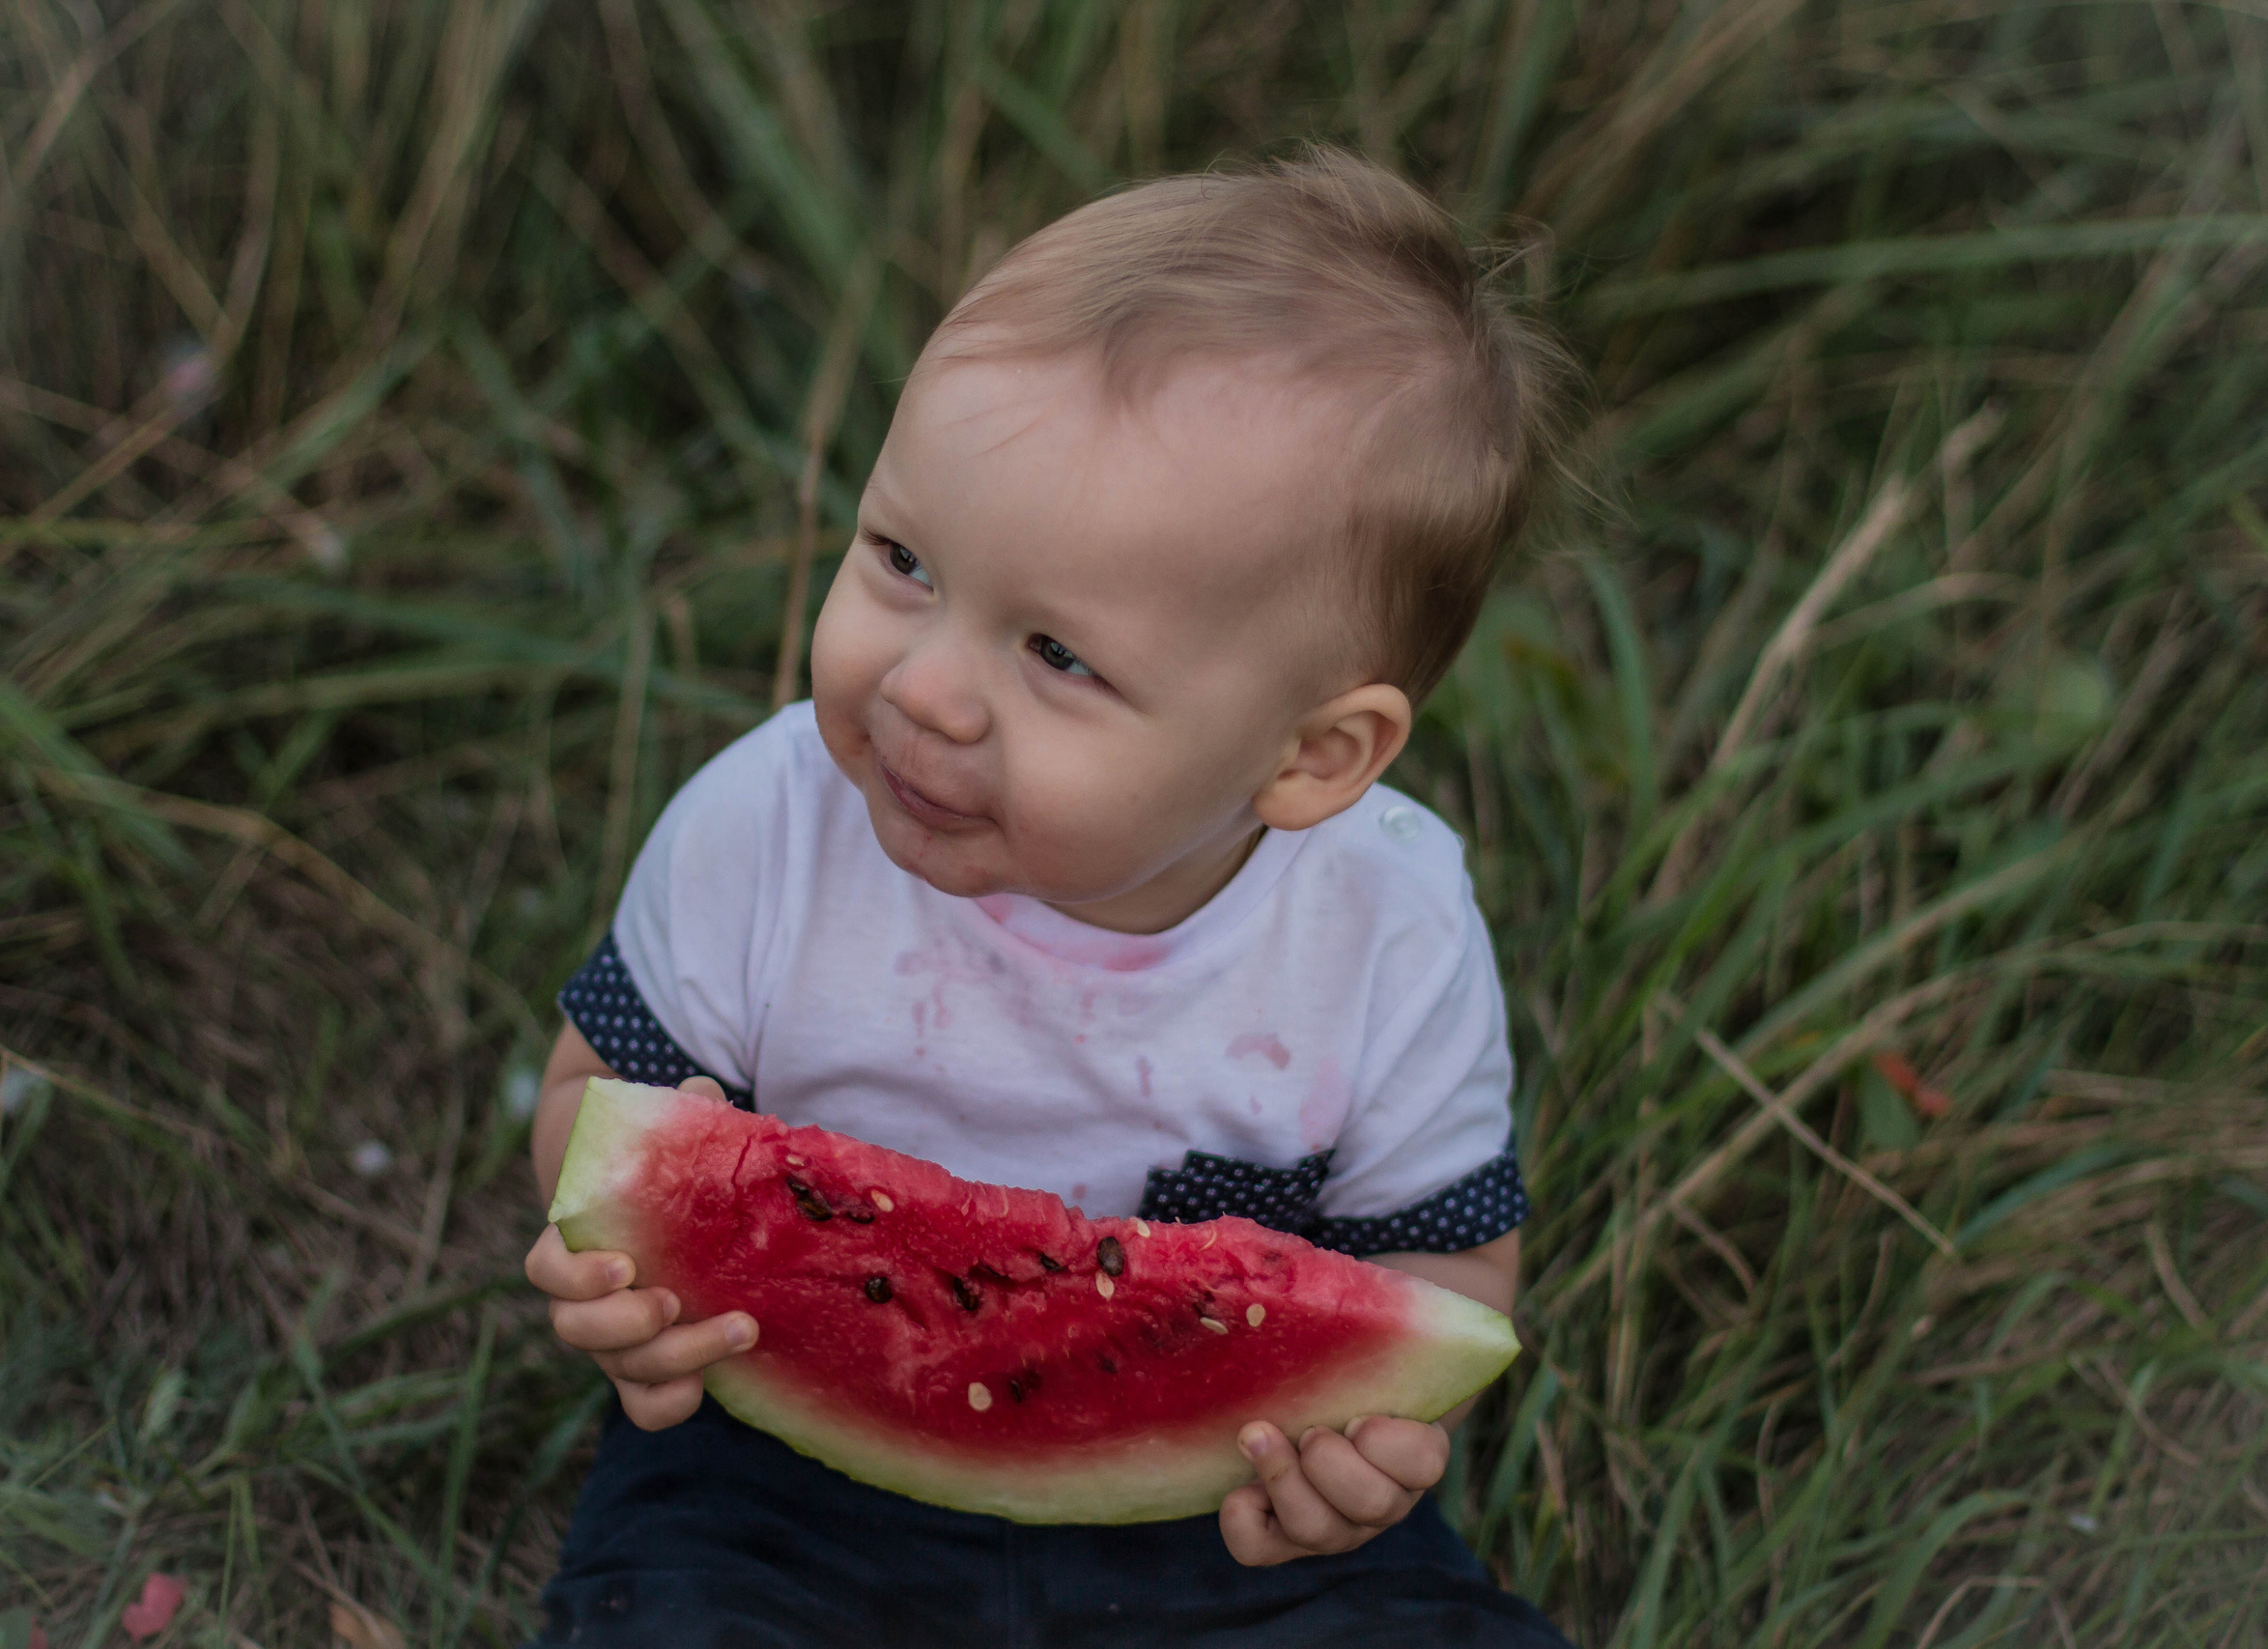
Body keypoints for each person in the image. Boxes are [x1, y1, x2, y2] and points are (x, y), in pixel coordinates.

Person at [522, 148, 1576, 1647]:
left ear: (1310, 756)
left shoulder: (1386, 929)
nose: (928, 690)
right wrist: (612, 1262)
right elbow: (602, 1103)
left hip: (1224, 1514)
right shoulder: (770, 821)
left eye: (1059, 657)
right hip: (770, 1473)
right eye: (902, 561)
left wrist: (1367, 1454)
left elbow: (1442, 1262)